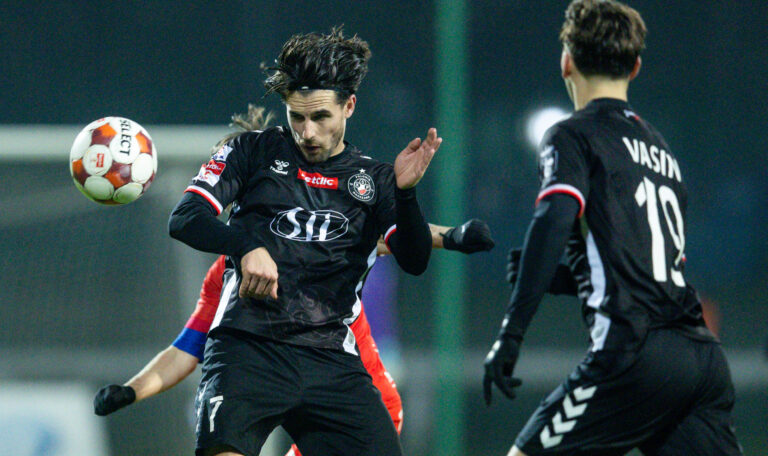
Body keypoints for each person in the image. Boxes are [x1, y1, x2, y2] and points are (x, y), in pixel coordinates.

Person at [482, 1, 742, 455]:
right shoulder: (662, 151)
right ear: (635, 67)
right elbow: (646, 268)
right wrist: (565, 280)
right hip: (700, 358)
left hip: (634, 356)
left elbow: (553, 220)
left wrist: (511, 333)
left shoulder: (573, 134)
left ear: (567, 61)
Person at [167, 28, 440, 456]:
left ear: (349, 106)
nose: (307, 132)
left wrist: (406, 194)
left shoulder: (375, 180)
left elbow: (415, 258)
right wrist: (245, 246)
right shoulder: (251, 152)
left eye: (321, 117)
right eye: (297, 117)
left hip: (329, 357)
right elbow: (185, 217)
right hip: (247, 347)